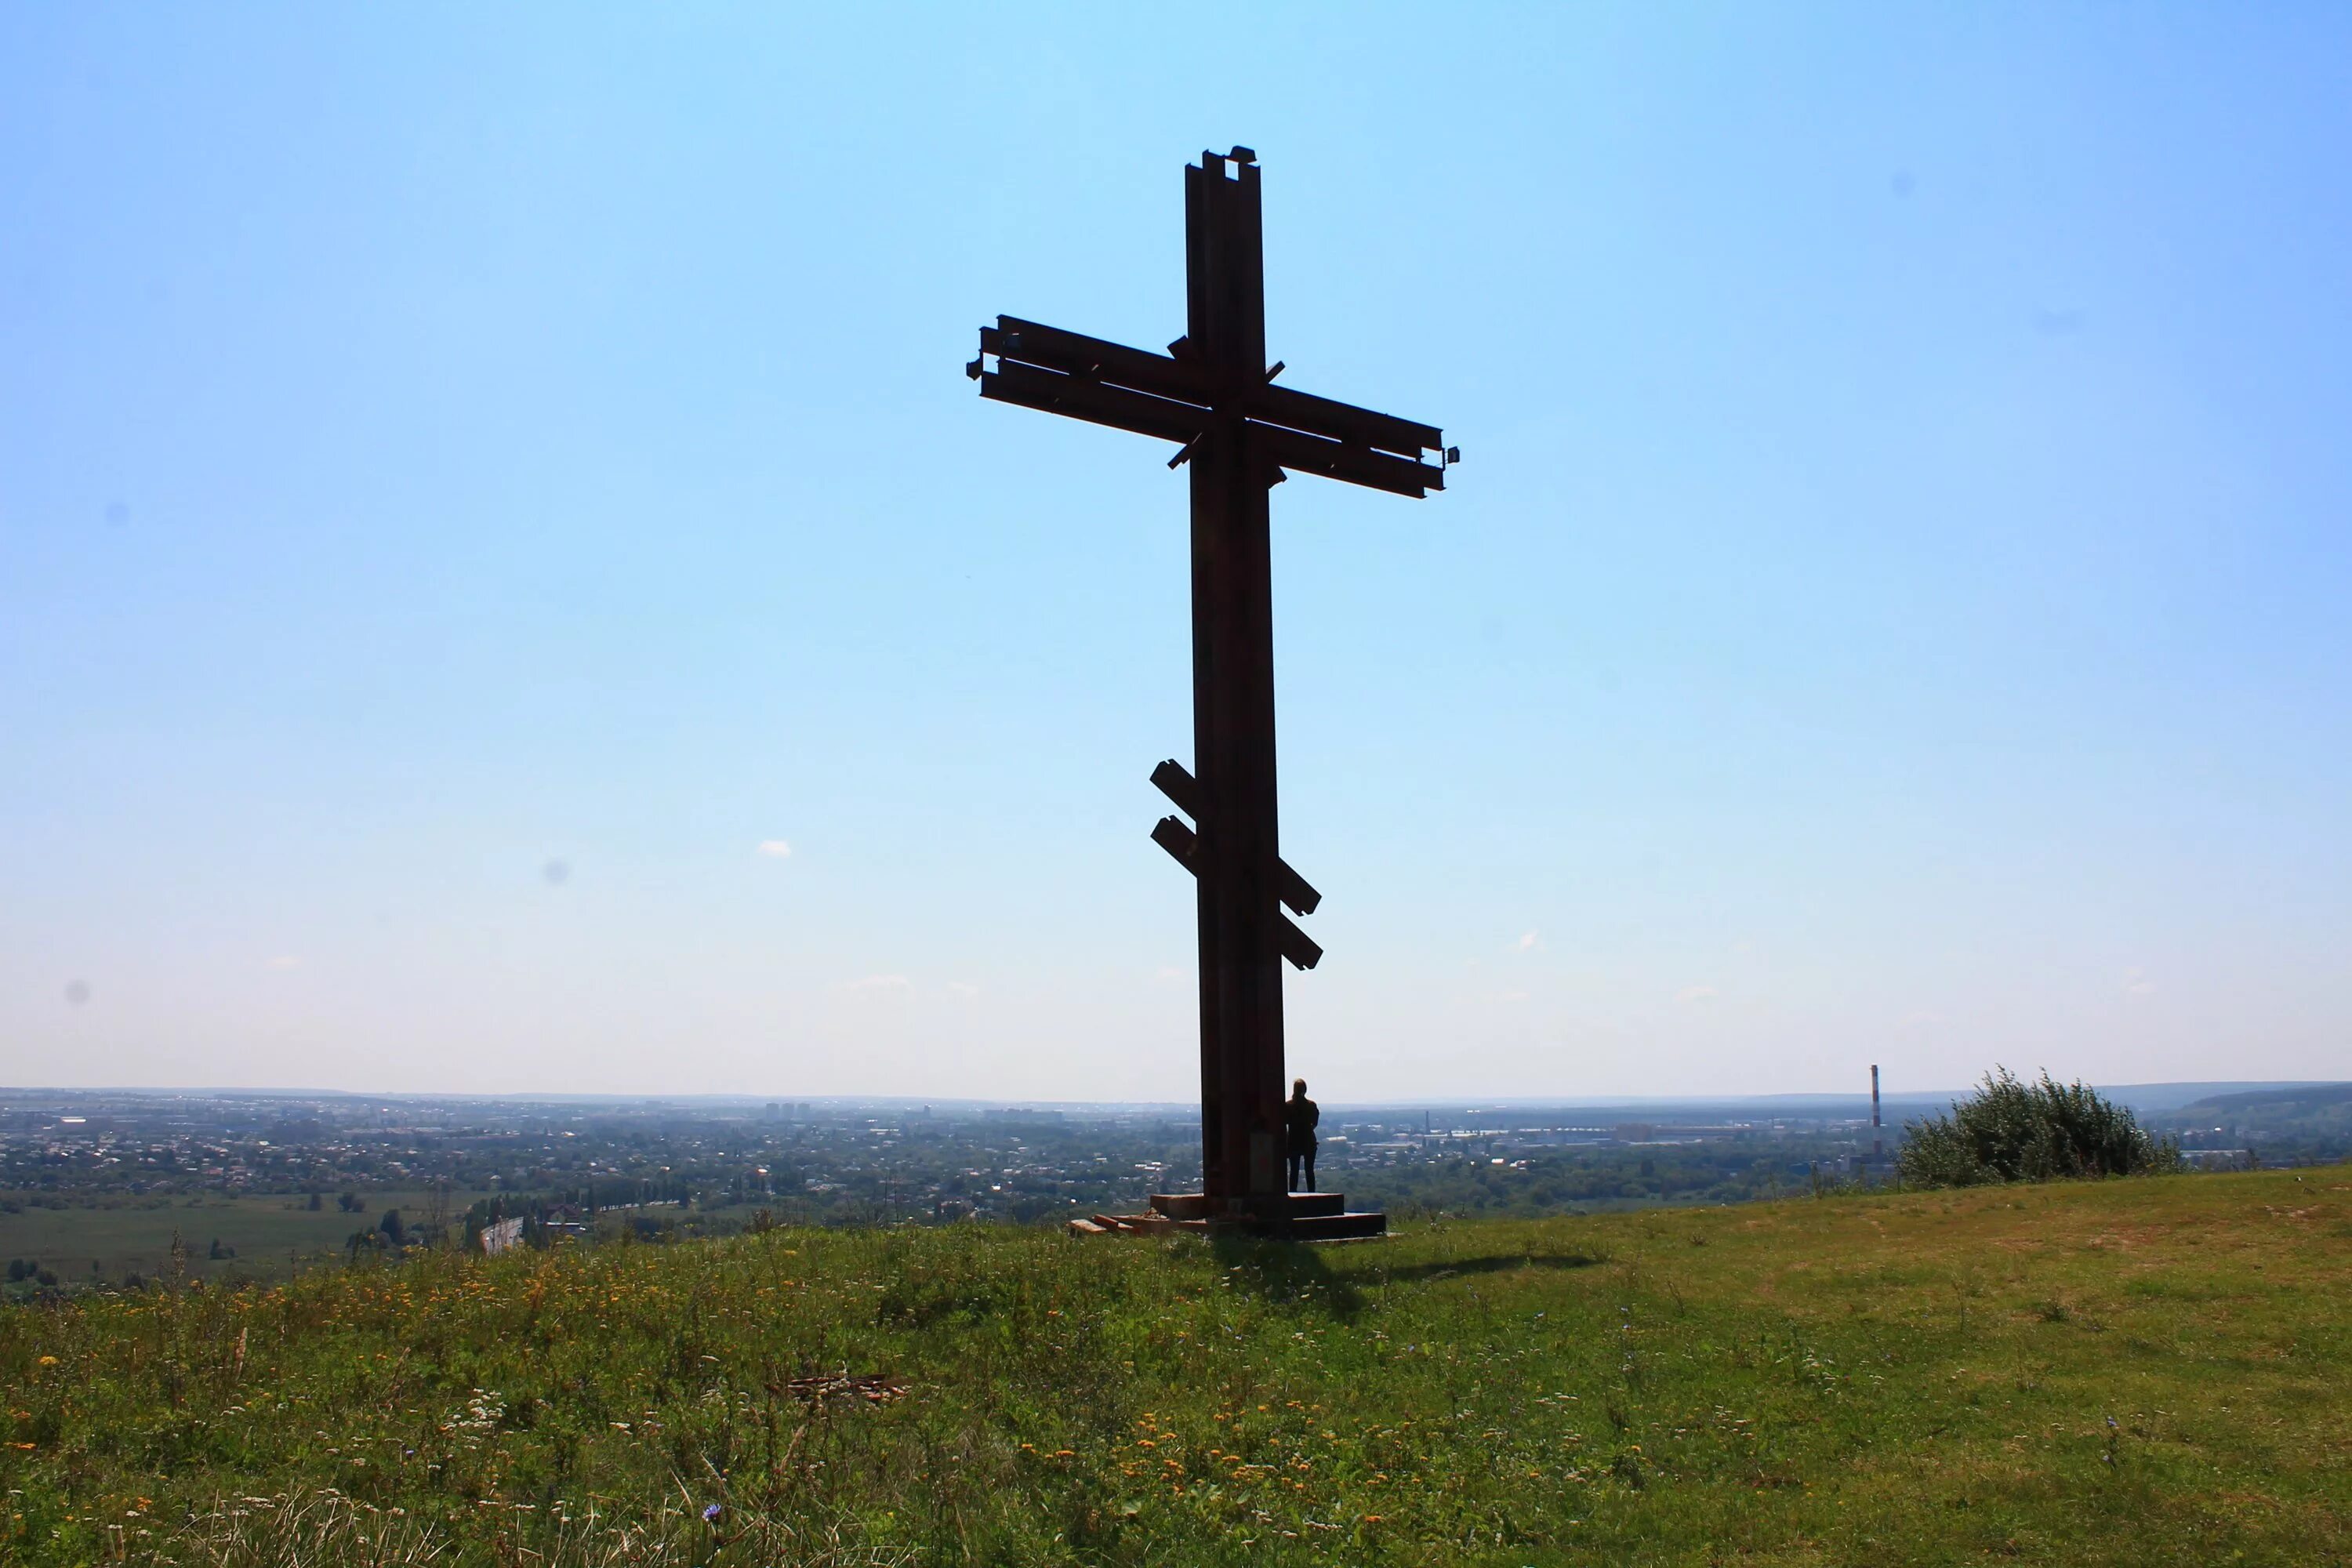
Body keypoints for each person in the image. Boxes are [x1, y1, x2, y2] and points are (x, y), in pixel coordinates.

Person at [1285, 1079, 1319, 1192]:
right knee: (1309, 1170)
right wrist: (1307, 1130)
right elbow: (1315, 1123)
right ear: (1305, 1090)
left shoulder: (1288, 1106)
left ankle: (1293, 1194)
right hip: (1308, 1140)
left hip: (1293, 1141)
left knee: (1294, 1171)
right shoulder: (1311, 1105)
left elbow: (1283, 1122)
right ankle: (1312, 1194)